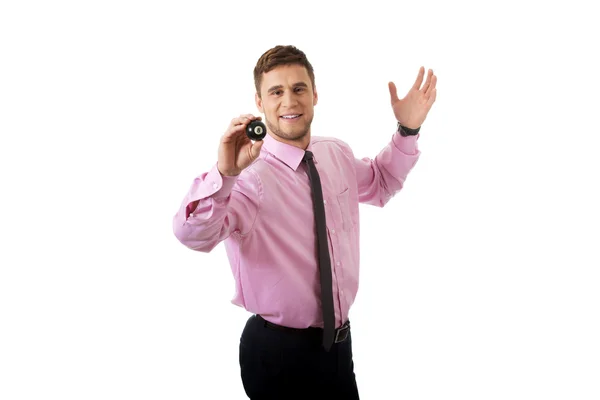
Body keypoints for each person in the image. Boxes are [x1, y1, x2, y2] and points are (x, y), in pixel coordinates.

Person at [172, 45, 437, 399]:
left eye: (298, 89)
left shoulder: (334, 152)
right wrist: (224, 174)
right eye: (276, 92)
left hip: (338, 347)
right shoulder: (248, 176)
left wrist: (408, 129)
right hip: (278, 355)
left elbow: (380, 183)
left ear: (314, 94)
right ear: (259, 102)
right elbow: (192, 235)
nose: (289, 102)